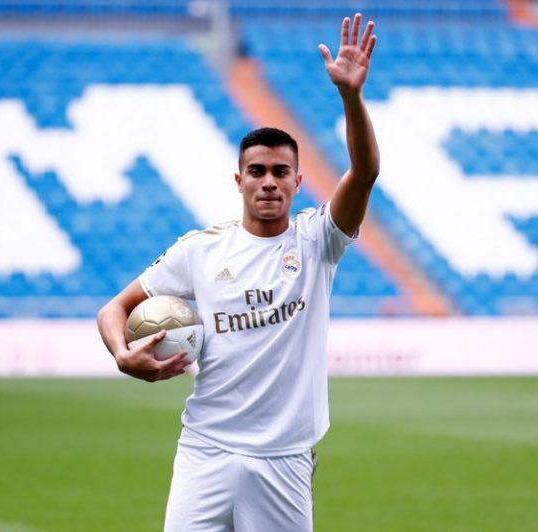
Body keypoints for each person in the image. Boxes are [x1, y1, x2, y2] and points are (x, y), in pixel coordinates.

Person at [97, 13, 379, 532]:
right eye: (257, 171)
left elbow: (364, 173)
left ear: (298, 181)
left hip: (285, 459)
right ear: (239, 180)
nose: (268, 182)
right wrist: (121, 354)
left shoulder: (318, 241)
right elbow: (113, 309)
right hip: (206, 448)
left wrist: (351, 98)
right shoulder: (199, 251)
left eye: (280, 172)